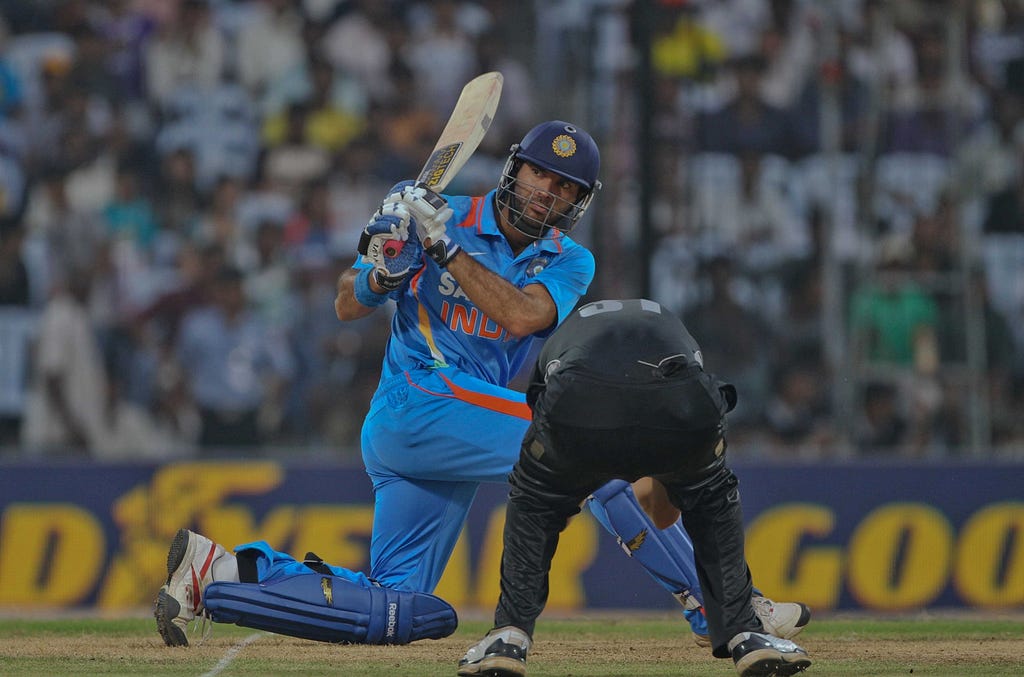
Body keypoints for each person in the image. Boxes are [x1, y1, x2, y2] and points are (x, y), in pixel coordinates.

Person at [154, 120, 807, 648]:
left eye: (566, 186)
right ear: (514, 168)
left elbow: (521, 314)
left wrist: (441, 250)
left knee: (409, 608)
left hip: (443, 431)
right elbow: (346, 303)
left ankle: (223, 573)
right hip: (418, 400)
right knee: (593, 452)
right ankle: (719, 605)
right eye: (540, 173)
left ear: (580, 202)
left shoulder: (568, 258)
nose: (548, 191)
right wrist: (383, 269)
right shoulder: (443, 215)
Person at [458, 298, 813, 677]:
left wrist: (560, 498)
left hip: (577, 404)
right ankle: (747, 633)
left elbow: (547, 414)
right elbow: (664, 514)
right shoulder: (674, 333)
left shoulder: (564, 338)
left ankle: (509, 637)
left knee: (532, 502)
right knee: (712, 498)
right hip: (679, 404)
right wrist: (663, 479)